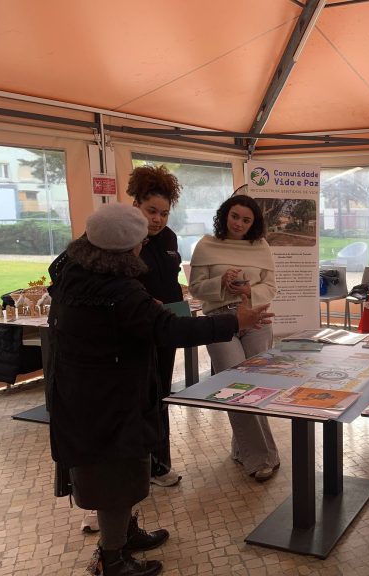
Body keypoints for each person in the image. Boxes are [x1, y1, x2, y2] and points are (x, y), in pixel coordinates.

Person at [46, 203, 273, 576]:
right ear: (129, 247)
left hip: (85, 392)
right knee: (115, 473)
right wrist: (234, 321)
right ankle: (111, 559)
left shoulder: (72, 272)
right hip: (109, 399)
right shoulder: (119, 289)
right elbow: (169, 330)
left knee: (119, 466)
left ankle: (124, 533)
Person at [188, 193, 280, 482]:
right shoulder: (206, 245)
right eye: (235, 216)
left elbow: (271, 287)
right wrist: (221, 282)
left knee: (256, 387)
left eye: (246, 220)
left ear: (254, 223)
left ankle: (243, 448)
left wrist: (249, 290)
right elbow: (195, 288)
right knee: (236, 387)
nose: (239, 223)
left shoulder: (261, 246)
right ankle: (262, 458)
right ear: (225, 215)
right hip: (219, 321)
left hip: (255, 319)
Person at [126, 165, 184, 488]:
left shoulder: (169, 238)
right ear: (136, 204)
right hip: (136, 329)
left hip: (167, 325)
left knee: (161, 393)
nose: (158, 219)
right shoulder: (124, 238)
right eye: (152, 211)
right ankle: (137, 466)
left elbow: (172, 280)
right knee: (140, 398)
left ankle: (159, 465)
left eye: (164, 213)